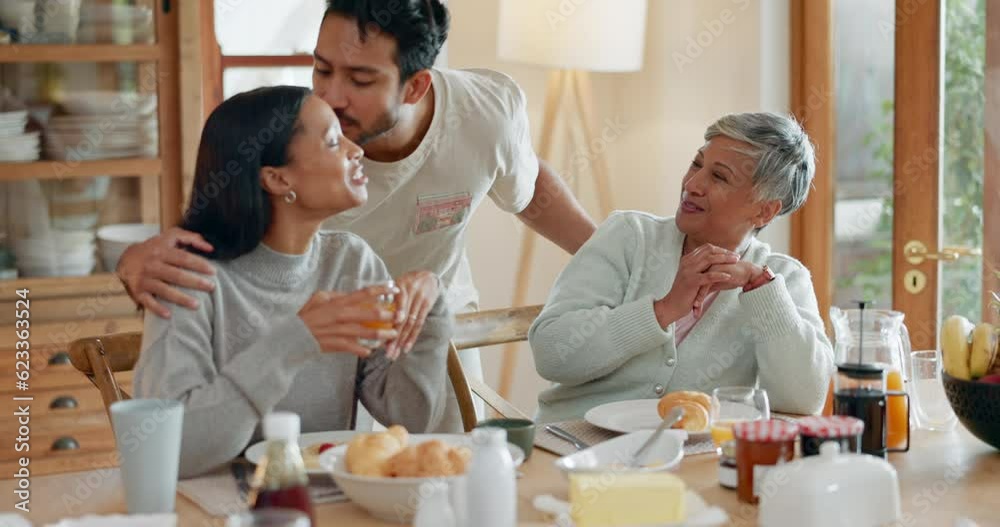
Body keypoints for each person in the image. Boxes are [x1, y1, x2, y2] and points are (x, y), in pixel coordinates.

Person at [117, 0, 595, 431]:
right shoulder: (296, 156)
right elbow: (229, 215)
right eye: (321, 70)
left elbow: (529, 192)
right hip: (291, 365)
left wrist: (616, 259)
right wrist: (131, 263)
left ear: (415, 87)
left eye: (360, 79)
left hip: (413, 334)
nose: (331, 96)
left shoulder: (483, 113)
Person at [133, 86, 452, 478]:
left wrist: (429, 307)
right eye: (333, 141)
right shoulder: (186, 278)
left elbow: (411, 419)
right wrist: (295, 341)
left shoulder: (351, 262)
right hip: (218, 508)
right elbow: (174, 453)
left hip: (332, 503)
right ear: (277, 179)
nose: (357, 150)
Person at [529, 112, 834, 424]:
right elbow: (552, 354)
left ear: (764, 210)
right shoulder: (628, 236)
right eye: (697, 164)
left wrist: (762, 290)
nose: (692, 184)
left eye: (719, 177)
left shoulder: (783, 280)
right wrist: (662, 310)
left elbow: (804, 400)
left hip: (692, 462)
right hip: (575, 447)